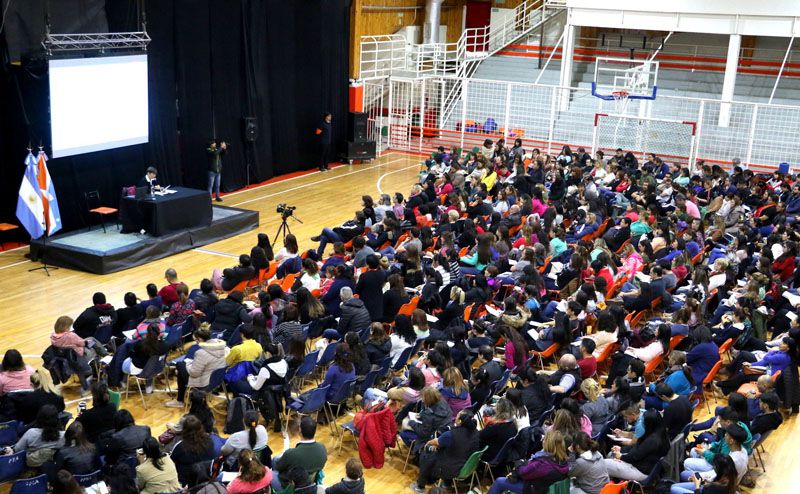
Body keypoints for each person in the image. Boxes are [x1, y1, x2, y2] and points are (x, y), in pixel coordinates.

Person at [412, 409, 480, 493]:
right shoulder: (476, 433)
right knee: (452, 453)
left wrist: (428, 443)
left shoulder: (451, 435)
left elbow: (435, 442)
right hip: (466, 467)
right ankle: (446, 483)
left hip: (449, 470)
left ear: (459, 421)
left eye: (458, 415)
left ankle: (420, 486)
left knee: (426, 454)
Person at [487, 430, 570, 494]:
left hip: (533, 489)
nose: (542, 440)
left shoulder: (542, 464)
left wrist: (518, 464)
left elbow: (523, 474)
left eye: (544, 439)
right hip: (542, 486)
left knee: (499, 482)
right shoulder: (564, 460)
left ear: (548, 444)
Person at [165, 326, 228, 408]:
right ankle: (180, 397)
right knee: (182, 366)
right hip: (217, 379)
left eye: (195, 340)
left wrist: (188, 363)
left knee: (180, 365)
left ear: (200, 339)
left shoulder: (201, 353)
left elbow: (194, 373)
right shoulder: (223, 347)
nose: (195, 343)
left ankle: (180, 400)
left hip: (204, 382)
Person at [603, 410, 670, 482]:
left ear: (649, 424)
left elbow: (634, 457)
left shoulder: (652, 440)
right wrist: (620, 451)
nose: (642, 423)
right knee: (611, 454)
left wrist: (620, 456)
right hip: (643, 466)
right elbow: (638, 449)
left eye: (643, 421)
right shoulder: (660, 434)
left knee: (603, 464)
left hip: (640, 471)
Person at [272, 416, 328, 490]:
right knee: (276, 459)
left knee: (270, 473)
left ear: (300, 430)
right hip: (311, 482)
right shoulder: (322, 448)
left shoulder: (291, 454)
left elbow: (278, 467)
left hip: (291, 486)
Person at [122, 323, 169, 393]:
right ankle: (148, 386)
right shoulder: (165, 345)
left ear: (147, 333)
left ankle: (124, 382)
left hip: (141, 371)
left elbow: (132, 356)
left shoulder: (141, 344)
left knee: (126, 360)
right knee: (150, 363)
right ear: (159, 333)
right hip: (157, 369)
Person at [170, 415, 216, 485]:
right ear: (200, 427)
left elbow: (171, 462)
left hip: (186, 482)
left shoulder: (179, 446)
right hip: (206, 479)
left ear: (184, 429)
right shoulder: (210, 441)